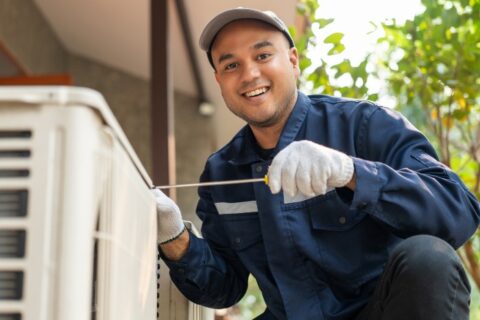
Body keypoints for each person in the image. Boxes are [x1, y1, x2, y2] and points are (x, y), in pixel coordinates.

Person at [152, 7, 480, 320]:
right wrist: (174, 236)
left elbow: (458, 212)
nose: (250, 74)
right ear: (219, 80)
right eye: (231, 65)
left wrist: (351, 172)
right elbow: (224, 288)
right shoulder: (222, 171)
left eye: (263, 56)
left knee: (428, 258)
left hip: (381, 311)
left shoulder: (363, 125)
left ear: (293, 61)